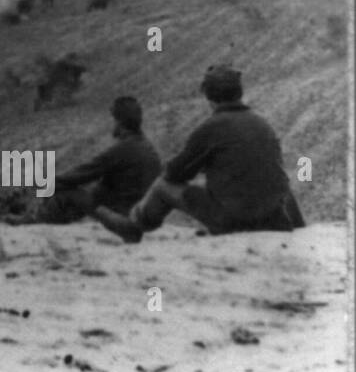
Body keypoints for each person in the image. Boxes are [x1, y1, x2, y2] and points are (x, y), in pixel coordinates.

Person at [96, 66, 304, 243]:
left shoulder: (211, 128)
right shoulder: (262, 124)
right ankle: (300, 227)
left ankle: (134, 226)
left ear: (209, 96)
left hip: (233, 220)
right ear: (239, 92)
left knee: (162, 187)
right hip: (274, 219)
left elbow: (175, 174)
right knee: (276, 180)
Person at [9, 96, 161, 225]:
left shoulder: (122, 150)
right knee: (84, 191)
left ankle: (34, 219)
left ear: (120, 123)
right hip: (140, 212)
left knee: (67, 192)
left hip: (121, 212)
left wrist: (48, 184)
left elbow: (82, 174)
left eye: (114, 120)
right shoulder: (148, 148)